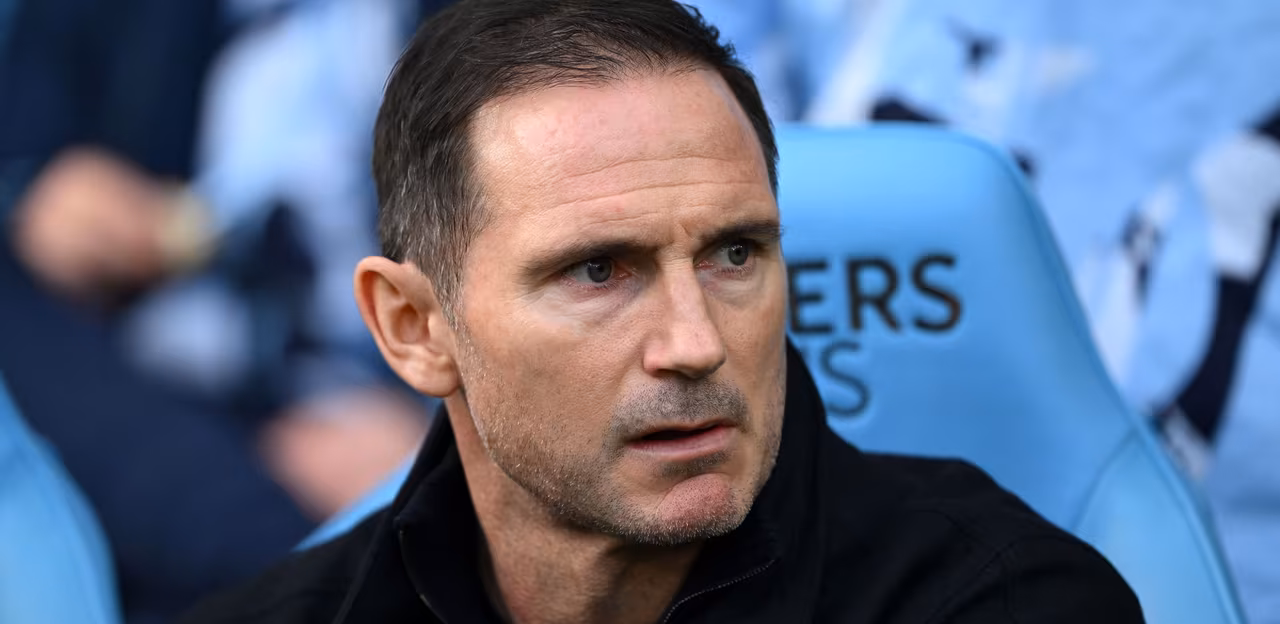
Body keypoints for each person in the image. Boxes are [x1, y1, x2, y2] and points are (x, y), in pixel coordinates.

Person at [179, 1, 1145, 622]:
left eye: (735, 253)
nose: (695, 344)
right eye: (599, 271)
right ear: (414, 328)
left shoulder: (1008, 601)